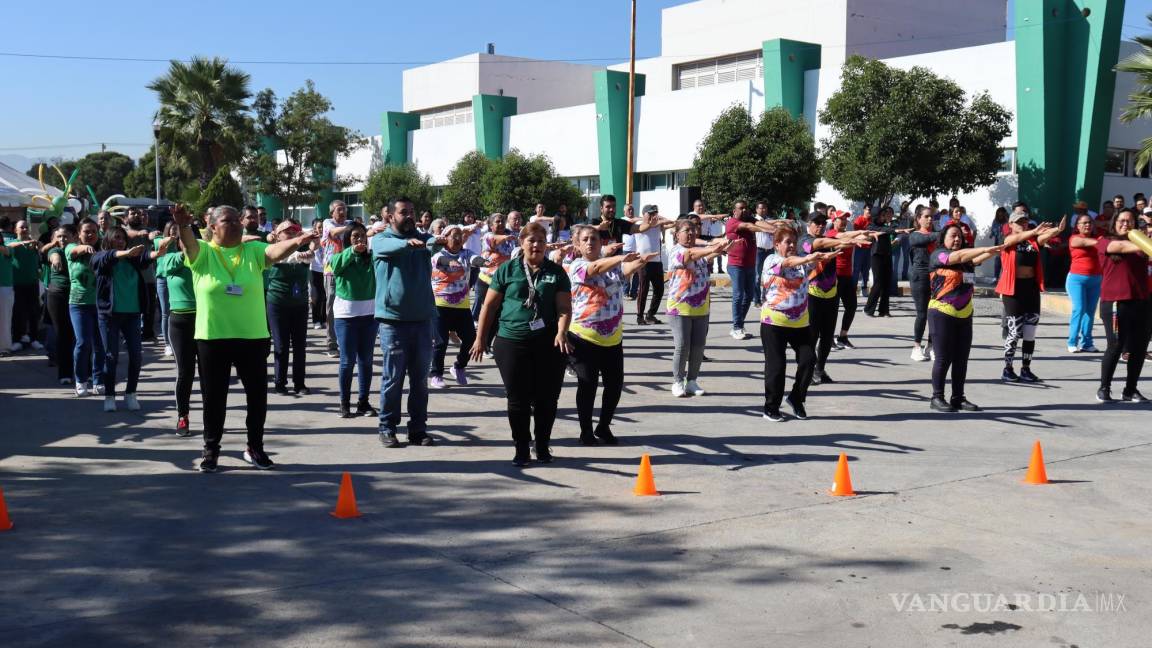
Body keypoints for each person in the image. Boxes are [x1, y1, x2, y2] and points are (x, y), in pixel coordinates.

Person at [172, 203, 317, 473]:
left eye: (238, 220)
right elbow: (189, 243)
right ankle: (211, 450)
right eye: (229, 221)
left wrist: (298, 240)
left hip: (252, 337)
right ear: (212, 227)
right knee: (214, 400)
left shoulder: (252, 249)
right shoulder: (203, 253)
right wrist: (182, 225)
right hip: (212, 338)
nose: (238, 224)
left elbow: (274, 252)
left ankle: (255, 448)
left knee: (257, 399)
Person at [471, 222, 572, 466]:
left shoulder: (556, 272)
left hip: (548, 343)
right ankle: (521, 447)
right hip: (511, 341)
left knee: (547, 398)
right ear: (522, 243)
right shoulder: (507, 269)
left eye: (540, 240)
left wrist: (561, 332)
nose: (536, 245)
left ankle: (542, 444)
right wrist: (480, 338)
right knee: (518, 398)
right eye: (531, 240)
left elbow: (564, 308)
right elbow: (490, 305)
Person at [567, 225, 652, 445]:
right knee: (588, 385)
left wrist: (641, 260)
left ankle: (603, 427)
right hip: (584, 338)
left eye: (594, 238)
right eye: (585, 239)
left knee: (614, 386)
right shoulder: (576, 265)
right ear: (577, 245)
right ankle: (586, 430)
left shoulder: (613, 268)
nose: (590, 242)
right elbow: (595, 268)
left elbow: (626, 269)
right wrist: (622, 258)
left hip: (613, 338)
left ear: (601, 242)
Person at [370, 197, 438, 448]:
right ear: (389, 216)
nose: (409, 216)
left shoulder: (423, 239)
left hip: (422, 321)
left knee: (420, 380)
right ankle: (387, 427)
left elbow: (432, 242)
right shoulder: (380, 240)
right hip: (393, 322)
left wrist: (444, 239)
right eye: (402, 212)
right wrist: (409, 245)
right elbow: (389, 248)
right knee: (393, 378)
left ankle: (418, 429)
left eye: (412, 211)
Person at [759, 225, 839, 421]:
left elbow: (812, 262)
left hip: (800, 323)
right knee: (776, 367)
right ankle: (771, 407)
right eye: (787, 242)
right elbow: (787, 263)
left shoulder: (803, 263)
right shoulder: (772, 260)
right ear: (777, 244)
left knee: (809, 360)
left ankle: (796, 398)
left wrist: (825, 257)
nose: (792, 245)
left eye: (794, 242)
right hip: (773, 322)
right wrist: (808, 258)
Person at [927, 225, 1002, 412]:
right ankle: (937, 398)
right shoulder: (939, 255)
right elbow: (959, 256)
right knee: (944, 358)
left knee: (961, 358)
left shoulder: (967, 260)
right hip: (942, 312)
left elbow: (978, 256)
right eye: (953, 236)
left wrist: (998, 249)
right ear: (943, 238)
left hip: (965, 313)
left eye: (960, 236)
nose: (957, 239)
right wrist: (985, 248)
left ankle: (958, 397)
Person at [91, 226, 156, 412]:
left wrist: (157, 253)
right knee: (111, 356)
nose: (120, 241)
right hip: (109, 315)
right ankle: (110, 395)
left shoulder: (131, 260)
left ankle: (130, 394)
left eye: (123, 238)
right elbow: (104, 259)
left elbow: (144, 258)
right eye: (116, 237)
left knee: (136, 355)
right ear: (108, 239)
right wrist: (124, 252)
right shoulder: (100, 258)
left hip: (132, 314)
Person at [798, 213, 867, 385]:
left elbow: (841, 235)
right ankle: (809, 370)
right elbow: (820, 243)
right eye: (816, 223)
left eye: (823, 223)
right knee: (811, 337)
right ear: (809, 223)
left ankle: (820, 370)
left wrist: (861, 234)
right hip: (812, 294)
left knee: (828, 337)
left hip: (831, 294)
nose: (820, 226)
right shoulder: (804, 240)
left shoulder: (828, 237)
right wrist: (843, 242)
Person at [996, 209, 1063, 383]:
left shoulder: (1033, 241)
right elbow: (1014, 239)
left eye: (1025, 221)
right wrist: (1033, 231)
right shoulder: (1008, 240)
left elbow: (1044, 236)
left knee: (1030, 331)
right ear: (1010, 224)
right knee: (1014, 331)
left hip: (1031, 289)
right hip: (1013, 290)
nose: (1023, 224)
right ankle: (1007, 368)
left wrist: (1058, 229)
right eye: (1019, 222)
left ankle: (1026, 369)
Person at [666, 219, 730, 397]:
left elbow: (703, 256)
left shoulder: (699, 253)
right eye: (686, 230)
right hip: (680, 307)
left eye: (693, 231)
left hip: (701, 307)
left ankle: (692, 381)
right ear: (677, 234)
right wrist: (712, 248)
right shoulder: (676, 252)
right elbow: (690, 255)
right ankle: (677, 381)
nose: (691, 234)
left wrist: (721, 249)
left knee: (698, 347)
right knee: (682, 346)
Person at [1095, 208, 1150, 403]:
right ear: (1114, 222)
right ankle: (1104, 387)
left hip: (1141, 301)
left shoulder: (1143, 246)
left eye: (1130, 221)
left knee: (1139, 348)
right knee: (1116, 345)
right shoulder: (1106, 242)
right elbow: (1121, 247)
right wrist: (1144, 243)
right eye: (1122, 220)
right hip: (1116, 303)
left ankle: (1130, 390)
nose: (1126, 224)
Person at [330, 222, 379, 418]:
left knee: (366, 361)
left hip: (369, 315)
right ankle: (344, 402)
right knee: (347, 361)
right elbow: (336, 267)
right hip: (346, 316)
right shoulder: (340, 257)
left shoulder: (372, 258)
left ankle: (363, 402)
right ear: (347, 239)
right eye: (355, 236)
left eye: (363, 236)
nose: (360, 240)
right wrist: (352, 251)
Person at [154, 228, 198, 436]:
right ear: (180, 243)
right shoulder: (170, 258)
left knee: (209, 374)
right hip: (180, 321)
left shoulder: (206, 260)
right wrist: (188, 250)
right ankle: (183, 416)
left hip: (205, 321)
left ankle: (212, 418)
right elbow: (166, 265)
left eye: (193, 241)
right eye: (185, 241)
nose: (189, 244)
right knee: (185, 372)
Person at [725, 200, 786, 340]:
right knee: (739, 295)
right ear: (735, 211)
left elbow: (759, 223)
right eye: (741, 208)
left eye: (746, 208)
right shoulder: (732, 222)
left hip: (749, 265)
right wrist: (769, 229)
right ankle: (736, 327)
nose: (745, 210)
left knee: (749, 295)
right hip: (736, 265)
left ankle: (739, 325)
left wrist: (773, 228)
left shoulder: (751, 219)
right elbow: (748, 226)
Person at [265, 219, 313, 396]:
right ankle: (280, 382)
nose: (291, 233)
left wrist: (308, 253)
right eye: (287, 231)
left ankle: (299, 383)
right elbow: (280, 258)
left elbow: (312, 252)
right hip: (277, 303)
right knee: (281, 345)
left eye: (294, 230)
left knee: (300, 346)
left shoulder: (303, 250)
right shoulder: (272, 250)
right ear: (277, 235)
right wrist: (295, 256)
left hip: (299, 303)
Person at [430, 225, 478, 388]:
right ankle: (436, 374)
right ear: (446, 238)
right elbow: (444, 262)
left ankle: (458, 367)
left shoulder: (466, 253)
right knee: (441, 342)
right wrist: (453, 262)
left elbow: (474, 260)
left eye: (460, 235)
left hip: (462, 306)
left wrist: (485, 261)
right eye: (454, 235)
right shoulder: (438, 255)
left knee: (471, 339)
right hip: (440, 305)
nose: (458, 238)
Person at [64, 221, 105, 395]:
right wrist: (85, 248)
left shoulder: (102, 251)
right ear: (78, 234)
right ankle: (81, 381)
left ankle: (98, 380)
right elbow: (74, 250)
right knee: (83, 342)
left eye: (94, 232)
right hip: (78, 304)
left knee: (100, 344)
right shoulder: (71, 248)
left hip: (100, 305)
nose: (90, 235)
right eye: (86, 232)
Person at [474, 213, 517, 350]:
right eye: (497, 221)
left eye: (502, 221)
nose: (500, 223)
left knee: (498, 315)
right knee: (486, 312)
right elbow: (494, 239)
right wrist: (505, 237)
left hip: (503, 282)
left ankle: (487, 344)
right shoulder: (487, 236)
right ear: (491, 225)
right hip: (486, 281)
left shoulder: (512, 236)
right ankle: (479, 341)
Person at [43, 226, 76, 384]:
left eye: (66, 236)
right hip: (57, 295)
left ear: (73, 237)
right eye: (59, 236)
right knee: (63, 335)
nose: (62, 239)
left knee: (80, 336)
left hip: (77, 295)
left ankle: (86, 371)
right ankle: (65, 374)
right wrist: (56, 260)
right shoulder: (55, 251)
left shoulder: (76, 250)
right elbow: (52, 255)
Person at [1066, 213, 1103, 354]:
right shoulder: (1074, 239)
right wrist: (1104, 241)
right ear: (1078, 226)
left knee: (1090, 312)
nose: (1088, 225)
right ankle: (1072, 342)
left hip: (1096, 279)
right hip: (1077, 280)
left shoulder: (1097, 239)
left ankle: (1087, 343)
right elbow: (1089, 243)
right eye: (1084, 223)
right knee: (1079, 309)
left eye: (1090, 223)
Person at [633, 205, 674, 325]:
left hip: (657, 262)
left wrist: (659, 217)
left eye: (654, 213)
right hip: (644, 262)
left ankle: (650, 314)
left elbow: (671, 222)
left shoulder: (658, 225)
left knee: (659, 290)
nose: (653, 216)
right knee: (643, 290)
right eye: (650, 213)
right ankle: (639, 316)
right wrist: (652, 219)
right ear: (644, 214)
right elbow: (632, 221)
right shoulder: (639, 225)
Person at [863, 206, 907, 318]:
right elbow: (883, 231)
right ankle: (868, 309)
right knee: (878, 283)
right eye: (882, 215)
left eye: (884, 215)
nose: (884, 217)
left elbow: (892, 229)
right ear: (876, 216)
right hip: (876, 256)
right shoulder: (871, 226)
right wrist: (895, 230)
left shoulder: (887, 225)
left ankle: (884, 310)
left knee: (887, 283)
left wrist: (899, 230)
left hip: (887, 255)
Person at [321, 200, 351, 357]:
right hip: (331, 271)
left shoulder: (350, 223)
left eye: (345, 209)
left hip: (349, 270)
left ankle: (346, 343)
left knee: (349, 306)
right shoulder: (328, 223)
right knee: (331, 307)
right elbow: (333, 233)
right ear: (331, 212)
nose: (343, 212)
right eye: (339, 209)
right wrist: (352, 228)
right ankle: (331, 344)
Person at [907, 207, 937, 361]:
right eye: (926, 216)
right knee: (922, 313)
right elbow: (922, 240)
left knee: (935, 313)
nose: (930, 219)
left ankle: (931, 346)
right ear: (918, 219)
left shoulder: (935, 235)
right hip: (919, 277)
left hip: (936, 277)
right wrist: (943, 234)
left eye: (931, 217)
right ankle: (916, 347)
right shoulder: (915, 235)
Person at [9, 220, 44, 352]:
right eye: (21, 227)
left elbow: (43, 251)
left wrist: (39, 245)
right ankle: (17, 339)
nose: (24, 229)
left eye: (26, 227)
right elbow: (9, 247)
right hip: (17, 284)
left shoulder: (33, 244)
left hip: (33, 283)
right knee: (18, 313)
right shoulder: (12, 243)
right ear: (15, 230)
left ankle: (33, 338)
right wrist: (24, 243)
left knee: (33, 312)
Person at [154, 221, 181, 357]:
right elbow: (160, 244)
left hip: (176, 279)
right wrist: (171, 238)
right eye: (172, 229)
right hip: (163, 280)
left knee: (176, 312)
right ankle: (167, 344)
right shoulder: (159, 239)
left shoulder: (180, 242)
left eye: (176, 229)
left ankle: (177, 341)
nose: (174, 231)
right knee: (165, 313)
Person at [308, 219, 327, 330]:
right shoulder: (312, 239)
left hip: (326, 271)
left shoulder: (328, 238)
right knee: (317, 296)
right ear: (315, 228)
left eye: (323, 227)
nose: (321, 229)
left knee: (325, 296)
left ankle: (324, 319)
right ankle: (316, 320)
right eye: (319, 227)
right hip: (314, 270)